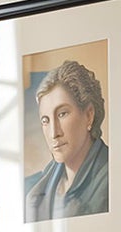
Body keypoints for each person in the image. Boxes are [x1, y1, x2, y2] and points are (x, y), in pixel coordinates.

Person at [24, 59, 109, 221]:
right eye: (45, 121)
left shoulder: (113, 178)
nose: (54, 133)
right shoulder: (34, 189)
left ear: (89, 115)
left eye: (62, 114)